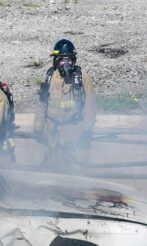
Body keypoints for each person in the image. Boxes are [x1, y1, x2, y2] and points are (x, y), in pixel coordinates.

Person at [34, 39, 97, 172]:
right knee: (52, 169)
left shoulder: (82, 79)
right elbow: (41, 105)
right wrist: (38, 129)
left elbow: (90, 107)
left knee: (78, 168)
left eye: (70, 60)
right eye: (63, 60)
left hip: (75, 131)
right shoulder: (49, 78)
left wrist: (86, 131)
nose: (66, 64)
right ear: (56, 61)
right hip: (52, 132)